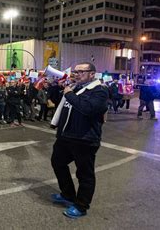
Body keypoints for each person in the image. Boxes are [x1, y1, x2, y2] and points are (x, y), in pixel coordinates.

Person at [50, 62, 108, 219]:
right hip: (66, 137)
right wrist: (58, 87)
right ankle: (68, 194)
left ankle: (81, 205)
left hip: (85, 139)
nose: (76, 74)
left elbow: (87, 109)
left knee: (84, 174)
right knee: (57, 162)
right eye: (76, 71)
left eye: (81, 72)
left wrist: (69, 93)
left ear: (92, 74)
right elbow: (57, 102)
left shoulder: (99, 91)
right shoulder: (75, 87)